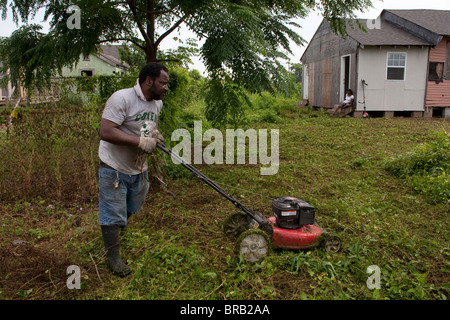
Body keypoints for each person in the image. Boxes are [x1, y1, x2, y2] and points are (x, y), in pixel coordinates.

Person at [98, 62, 169, 276]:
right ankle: (113, 257)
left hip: (138, 166)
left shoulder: (156, 104)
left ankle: (120, 228)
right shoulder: (122, 98)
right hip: (114, 165)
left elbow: (150, 125)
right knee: (112, 210)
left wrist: (154, 135)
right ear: (149, 81)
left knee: (133, 203)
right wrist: (140, 142)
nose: (166, 88)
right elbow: (106, 131)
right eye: (163, 83)